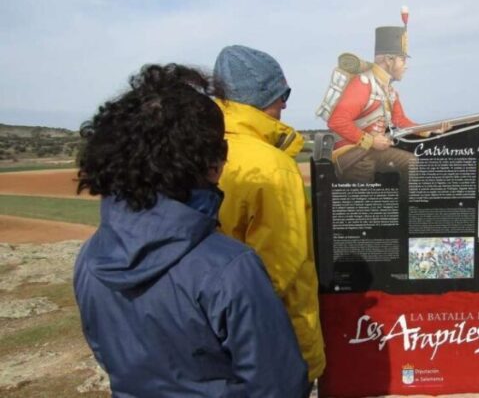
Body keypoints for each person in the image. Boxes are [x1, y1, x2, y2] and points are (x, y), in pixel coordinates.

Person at [74, 64, 308, 397]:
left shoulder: (90, 256)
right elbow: (278, 385)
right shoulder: (231, 268)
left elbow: (107, 352)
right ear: (212, 164)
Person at [212, 45, 325, 386]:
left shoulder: (200, 147)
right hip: (274, 344)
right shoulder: (271, 166)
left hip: (213, 342)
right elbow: (279, 268)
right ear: (258, 99)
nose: (286, 104)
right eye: (281, 94)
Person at [327, 23, 446, 183]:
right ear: (389, 60)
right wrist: (370, 140)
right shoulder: (363, 84)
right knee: (364, 182)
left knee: (412, 164)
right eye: (402, 60)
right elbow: (337, 121)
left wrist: (430, 129)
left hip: (370, 151)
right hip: (352, 153)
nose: (406, 66)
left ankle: (406, 208)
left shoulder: (389, 91)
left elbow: (400, 121)